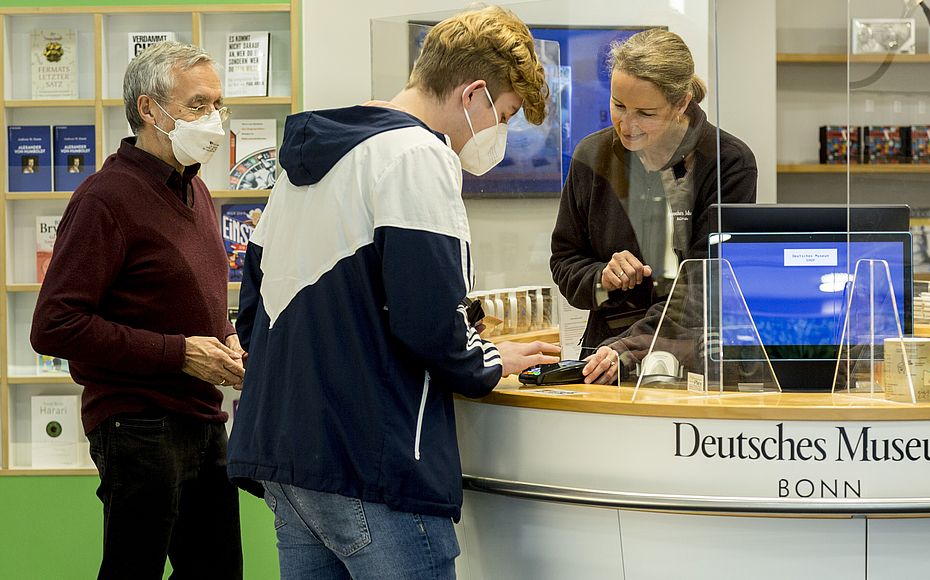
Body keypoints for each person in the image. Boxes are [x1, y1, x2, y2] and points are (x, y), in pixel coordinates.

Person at [226, 6, 559, 579]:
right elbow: (430, 322)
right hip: (372, 461)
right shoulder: (417, 155)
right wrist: (487, 361)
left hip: (285, 455)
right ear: (473, 94)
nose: (499, 136)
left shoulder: (307, 161)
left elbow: (253, 313)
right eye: (503, 116)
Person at [29, 41, 245, 579]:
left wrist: (225, 335)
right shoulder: (106, 197)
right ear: (149, 110)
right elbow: (55, 325)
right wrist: (179, 354)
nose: (214, 120)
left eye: (219, 105)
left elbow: (180, 298)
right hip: (138, 426)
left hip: (201, 419)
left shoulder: (195, 187)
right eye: (198, 105)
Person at [550, 28, 757, 370]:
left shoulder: (728, 162)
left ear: (681, 104)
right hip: (604, 356)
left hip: (689, 358)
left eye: (645, 113)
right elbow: (565, 261)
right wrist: (602, 276)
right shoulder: (592, 155)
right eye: (618, 105)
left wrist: (629, 348)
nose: (627, 125)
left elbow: (705, 285)